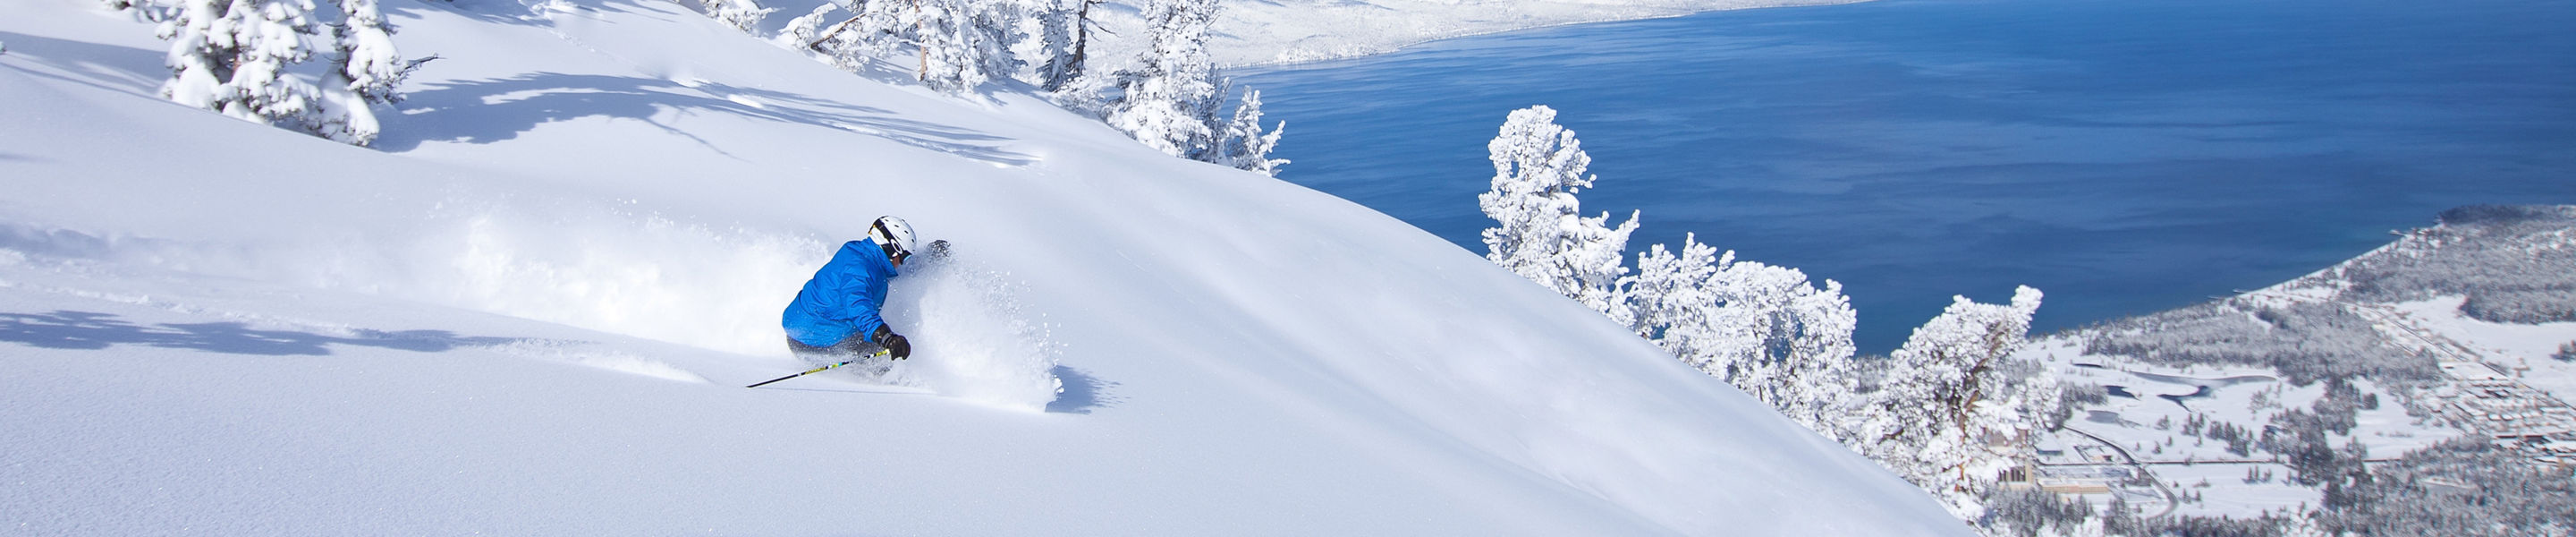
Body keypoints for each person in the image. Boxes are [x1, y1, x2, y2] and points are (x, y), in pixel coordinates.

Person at [781, 216, 917, 368]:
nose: (904, 263)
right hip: (815, 344)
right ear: (893, 249)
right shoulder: (861, 269)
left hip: (801, 332)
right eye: (905, 257)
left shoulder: (860, 253)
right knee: (889, 361)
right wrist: (886, 337)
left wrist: (929, 260)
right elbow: (857, 304)